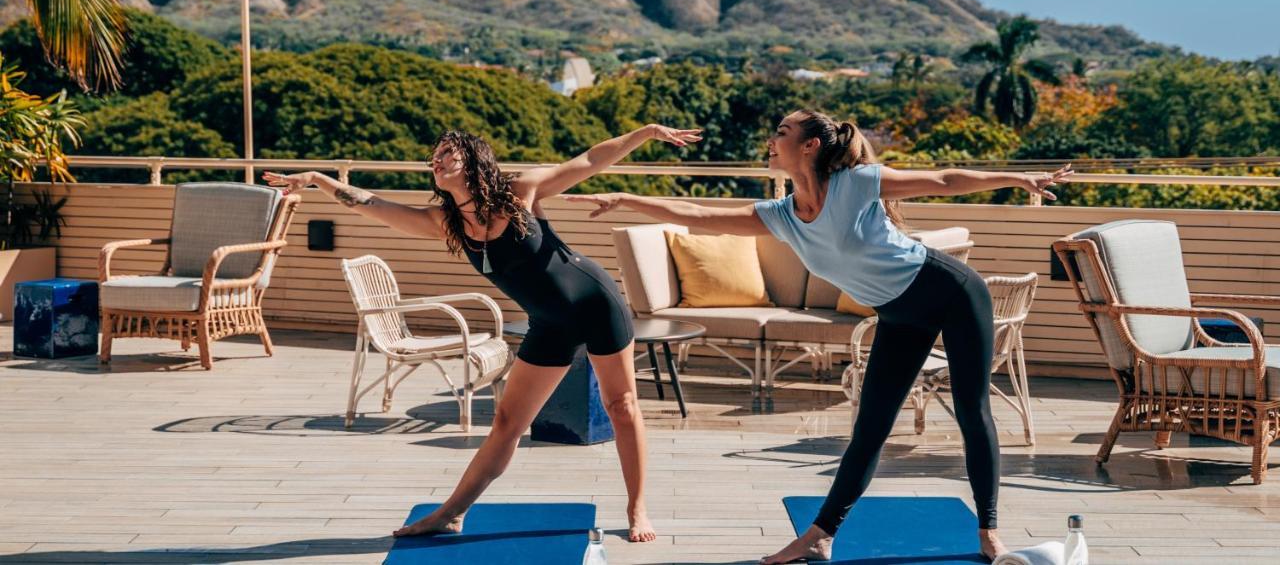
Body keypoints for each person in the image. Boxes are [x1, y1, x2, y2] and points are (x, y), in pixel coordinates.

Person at [566, 109, 1071, 563]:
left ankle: (989, 534)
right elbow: (698, 216)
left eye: (782, 130)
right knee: (870, 430)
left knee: (971, 410)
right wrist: (628, 198)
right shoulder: (781, 216)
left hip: (955, 294)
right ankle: (821, 536)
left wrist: (1017, 177)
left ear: (809, 146)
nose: (772, 138)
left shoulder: (855, 183)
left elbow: (941, 179)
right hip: (900, 316)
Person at [264, 122, 702, 544]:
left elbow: (588, 159)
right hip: (549, 323)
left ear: (472, 160)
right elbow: (374, 206)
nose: (436, 160)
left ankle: (636, 508)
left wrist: (644, 134)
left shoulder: (519, 194)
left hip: (595, 303)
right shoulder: (447, 222)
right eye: (433, 156)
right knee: (508, 422)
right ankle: (450, 513)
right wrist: (320, 179)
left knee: (620, 406)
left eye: (447, 153)